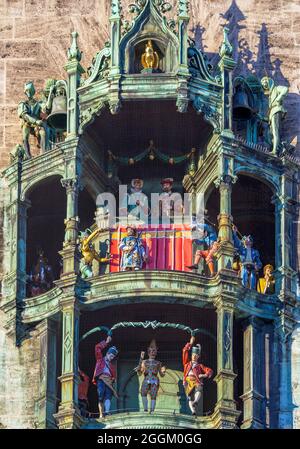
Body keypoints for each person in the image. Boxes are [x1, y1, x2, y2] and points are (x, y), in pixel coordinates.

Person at [182, 336, 213, 416]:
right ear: (191, 355)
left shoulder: (200, 366)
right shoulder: (187, 364)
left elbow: (209, 371)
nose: (194, 356)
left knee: (199, 388)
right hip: (188, 381)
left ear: (198, 357)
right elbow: (185, 351)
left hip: (196, 380)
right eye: (193, 355)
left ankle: (196, 401)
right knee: (189, 397)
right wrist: (190, 343)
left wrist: (204, 375)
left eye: (196, 355)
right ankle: (193, 411)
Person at [18, 81, 48, 158]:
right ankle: (28, 156)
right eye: (27, 91)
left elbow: (45, 108)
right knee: (25, 135)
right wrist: (36, 121)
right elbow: (24, 115)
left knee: (43, 132)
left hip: (36, 124)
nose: (28, 92)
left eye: (29, 90)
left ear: (32, 91)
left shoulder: (38, 103)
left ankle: (44, 152)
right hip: (27, 123)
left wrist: (50, 96)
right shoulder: (23, 103)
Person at [136, 339, 166, 413]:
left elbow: (161, 375)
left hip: (154, 379)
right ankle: (145, 409)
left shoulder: (158, 363)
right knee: (143, 392)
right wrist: (141, 359)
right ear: (148, 351)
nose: (152, 352)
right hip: (146, 378)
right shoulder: (144, 361)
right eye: (151, 351)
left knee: (153, 395)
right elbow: (140, 372)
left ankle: (152, 410)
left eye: (154, 351)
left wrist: (163, 371)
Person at [260, 77, 289, 155]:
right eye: (262, 82)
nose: (263, 83)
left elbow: (285, 89)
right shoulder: (270, 96)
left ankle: (275, 151)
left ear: (269, 81)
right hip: (273, 112)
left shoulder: (276, 88)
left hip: (276, 110)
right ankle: (277, 147)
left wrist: (279, 97)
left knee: (275, 132)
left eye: (265, 81)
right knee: (270, 134)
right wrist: (262, 118)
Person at [92, 335, 118, 419]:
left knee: (108, 396)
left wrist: (113, 379)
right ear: (107, 354)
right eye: (111, 356)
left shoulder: (112, 366)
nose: (111, 358)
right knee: (100, 395)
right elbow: (97, 348)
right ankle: (101, 414)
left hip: (109, 381)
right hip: (101, 379)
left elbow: (114, 375)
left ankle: (107, 412)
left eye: (113, 357)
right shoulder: (100, 359)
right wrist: (106, 342)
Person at [232, 225, 262, 289]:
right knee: (244, 273)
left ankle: (252, 290)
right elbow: (237, 242)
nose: (246, 240)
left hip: (252, 266)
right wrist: (235, 232)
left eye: (248, 239)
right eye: (246, 239)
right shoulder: (242, 249)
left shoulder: (255, 251)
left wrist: (257, 266)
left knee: (252, 277)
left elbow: (259, 262)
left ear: (251, 242)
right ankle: (244, 288)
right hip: (244, 265)